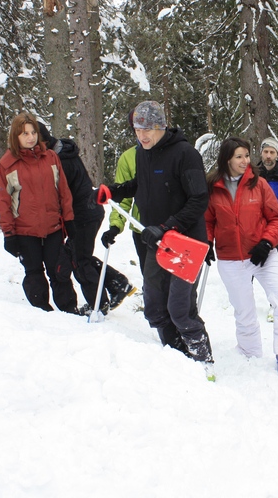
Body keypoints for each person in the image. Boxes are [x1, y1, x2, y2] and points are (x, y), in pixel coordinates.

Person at [98, 100, 215, 379]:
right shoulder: (143, 153)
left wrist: (167, 226)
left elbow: (199, 199)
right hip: (157, 241)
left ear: (162, 125)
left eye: (149, 128)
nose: (143, 135)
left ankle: (203, 363)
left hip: (186, 242)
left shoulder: (185, 154)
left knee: (179, 308)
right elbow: (141, 184)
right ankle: (176, 358)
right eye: (138, 129)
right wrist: (114, 191)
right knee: (153, 307)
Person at [206, 137, 278, 376]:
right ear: (227, 159)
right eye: (239, 156)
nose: (245, 161)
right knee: (244, 309)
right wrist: (206, 243)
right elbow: (208, 221)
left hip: (264, 254)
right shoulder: (213, 187)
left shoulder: (258, 184)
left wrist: (266, 242)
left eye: (246, 156)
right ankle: (249, 354)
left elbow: (276, 217)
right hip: (231, 259)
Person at [37, 124, 136, 315]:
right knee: (80, 255)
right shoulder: (60, 154)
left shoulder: (60, 161)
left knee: (80, 261)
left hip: (84, 214)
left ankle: (98, 305)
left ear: (45, 141)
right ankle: (117, 284)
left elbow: (57, 195)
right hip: (86, 212)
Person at [0, 112, 79, 314]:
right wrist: (9, 233)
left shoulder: (50, 157)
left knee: (59, 271)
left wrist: (70, 221)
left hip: (53, 227)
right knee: (34, 273)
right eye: (25, 134)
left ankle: (69, 310)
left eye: (33, 133)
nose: (30, 137)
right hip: (24, 231)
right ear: (16, 136)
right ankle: (42, 312)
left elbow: (63, 192)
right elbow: (2, 202)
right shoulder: (7, 164)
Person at [104, 108, 147, 277]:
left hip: (172, 229)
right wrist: (115, 226)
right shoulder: (128, 158)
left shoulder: (174, 153)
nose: (142, 134)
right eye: (137, 129)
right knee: (151, 280)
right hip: (141, 229)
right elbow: (123, 197)